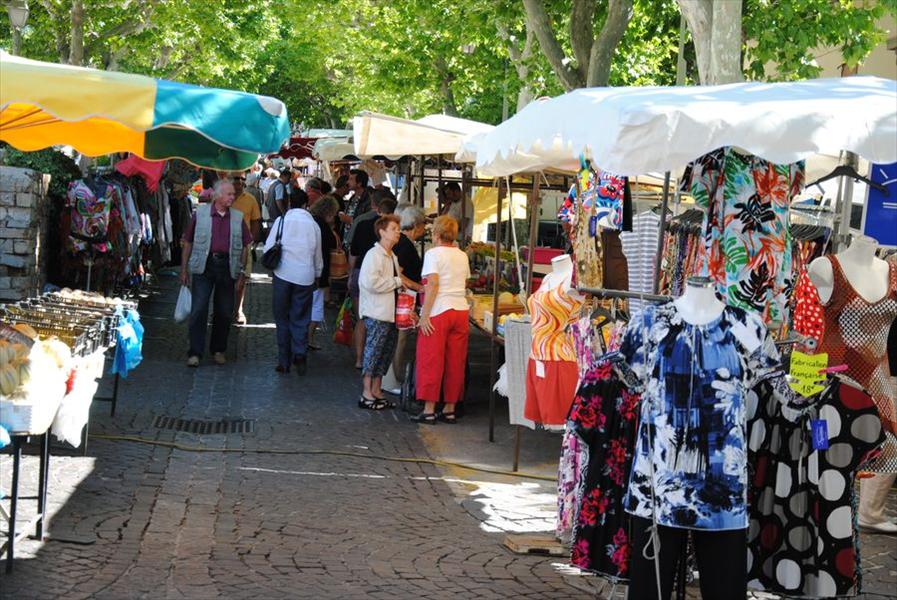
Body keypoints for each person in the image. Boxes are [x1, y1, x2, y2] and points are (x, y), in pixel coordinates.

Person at [180, 179, 253, 367]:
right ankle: (195, 352)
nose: (232, 197)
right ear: (218, 195)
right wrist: (184, 269)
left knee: (224, 311)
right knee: (198, 309)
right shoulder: (201, 213)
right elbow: (188, 241)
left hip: (227, 267)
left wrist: (242, 272)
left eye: (232, 194)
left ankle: (218, 349)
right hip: (204, 266)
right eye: (229, 194)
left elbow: (246, 245)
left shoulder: (237, 217)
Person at [413, 216, 471, 424]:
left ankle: (429, 409)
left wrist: (424, 314)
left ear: (436, 233)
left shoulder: (433, 254)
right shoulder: (462, 255)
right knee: (456, 361)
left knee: (431, 359)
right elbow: (463, 282)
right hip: (460, 310)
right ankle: (449, 408)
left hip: (439, 310)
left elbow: (433, 285)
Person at [358, 215, 415, 409]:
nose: (398, 232)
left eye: (398, 228)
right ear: (382, 232)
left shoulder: (392, 256)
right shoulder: (373, 256)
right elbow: (370, 283)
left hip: (391, 314)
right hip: (377, 312)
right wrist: (398, 282)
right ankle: (366, 392)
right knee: (373, 351)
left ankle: (376, 389)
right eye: (393, 228)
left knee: (385, 353)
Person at [264, 188, 322, 375]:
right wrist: (318, 274)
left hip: (283, 273)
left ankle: (284, 361)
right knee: (300, 317)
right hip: (305, 276)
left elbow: (268, 247)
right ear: (307, 204)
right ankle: (299, 352)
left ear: (289, 203)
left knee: (282, 318)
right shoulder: (313, 225)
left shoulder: (282, 221)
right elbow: (317, 255)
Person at [348, 190, 398, 369]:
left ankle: (360, 359)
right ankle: (371, 364)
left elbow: (353, 252)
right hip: (377, 279)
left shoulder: (362, 223)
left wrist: (350, 273)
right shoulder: (390, 236)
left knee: (362, 317)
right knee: (374, 321)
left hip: (359, 271)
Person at [389, 204, 426, 393]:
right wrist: (418, 287)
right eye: (423, 225)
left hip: (404, 296)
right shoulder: (405, 244)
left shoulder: (403, 243)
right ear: (416, 225)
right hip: (403, 297)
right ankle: (394, 379)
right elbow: (399, 274)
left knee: (399, 338)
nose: (424, 230)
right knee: (400, 339)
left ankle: (394, 377)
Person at [307, 195, 341, 349]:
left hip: (305, 270)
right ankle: (308, 338)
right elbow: (332, 244)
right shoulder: (323, 226)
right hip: (318, 272)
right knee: (316, 307)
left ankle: (303, 338)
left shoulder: (309, 220)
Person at [231, 172, 262, 324]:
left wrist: (253, 241)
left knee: (241, 279)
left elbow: (256, 221)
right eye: (236, 178)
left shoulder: (250, 199)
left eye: (242, 179)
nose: (240, 181)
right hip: (225, 243)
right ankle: (222, 310)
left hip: (243, 244)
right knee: (223, 279)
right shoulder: (224, 197)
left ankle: (238, 310)